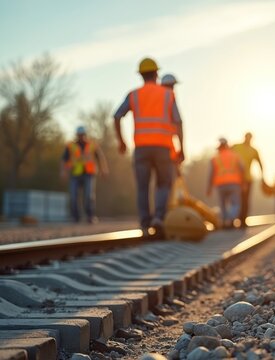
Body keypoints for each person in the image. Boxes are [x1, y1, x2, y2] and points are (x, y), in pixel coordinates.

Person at [113, 57, 184, 236]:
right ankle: (159, 218)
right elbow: (178, 121)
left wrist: (121, 141)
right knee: (163, 183)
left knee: (143, 186)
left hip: (141, 148)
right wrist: (182, 148)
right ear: (156, 73)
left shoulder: (134, 95)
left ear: (141, 75)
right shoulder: (168, 95)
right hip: (163, 147)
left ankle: (145, 224)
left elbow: (116, 116)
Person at [60, 126, 108, 223]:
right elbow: (63, 159)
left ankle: (90, 216)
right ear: (77, 135)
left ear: (85, 135)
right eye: (79, 135)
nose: (81, 137)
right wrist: (63, 171)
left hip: (88, 174)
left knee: (88, 196)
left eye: (82, 135)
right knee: (73, 196)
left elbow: (100, 157)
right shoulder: (70, 146)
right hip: (75, 174)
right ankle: (75, 217)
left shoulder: (92, 145)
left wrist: (104, 169)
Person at [207, 138, 244, 228]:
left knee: (222, 204)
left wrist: (209, 187)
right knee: (235, 203)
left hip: (220, 185)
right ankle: (231, 220)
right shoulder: (235, 156)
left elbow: (211, 173)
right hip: (234, 184)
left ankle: (224, 221)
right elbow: (242, 169)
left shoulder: (215, 158)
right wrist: (243, 182)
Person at [232, 132, 263, 225]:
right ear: (244, 137)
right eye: (247, 137)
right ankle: (234, 218)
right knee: (236, 199)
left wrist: (263, 177)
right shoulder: (236, 146)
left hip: (247, 178)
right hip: (235, 178)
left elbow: (260, 163)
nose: (248, 139)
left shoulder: (253, 150)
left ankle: (243, 219)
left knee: (245, 200)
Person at [160, 73, 185, 168]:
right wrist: (182, 149)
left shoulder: (151, 97)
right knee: (165, 181)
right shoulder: (170, 97)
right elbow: (178, 123)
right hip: (165, 147)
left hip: (143, 146)